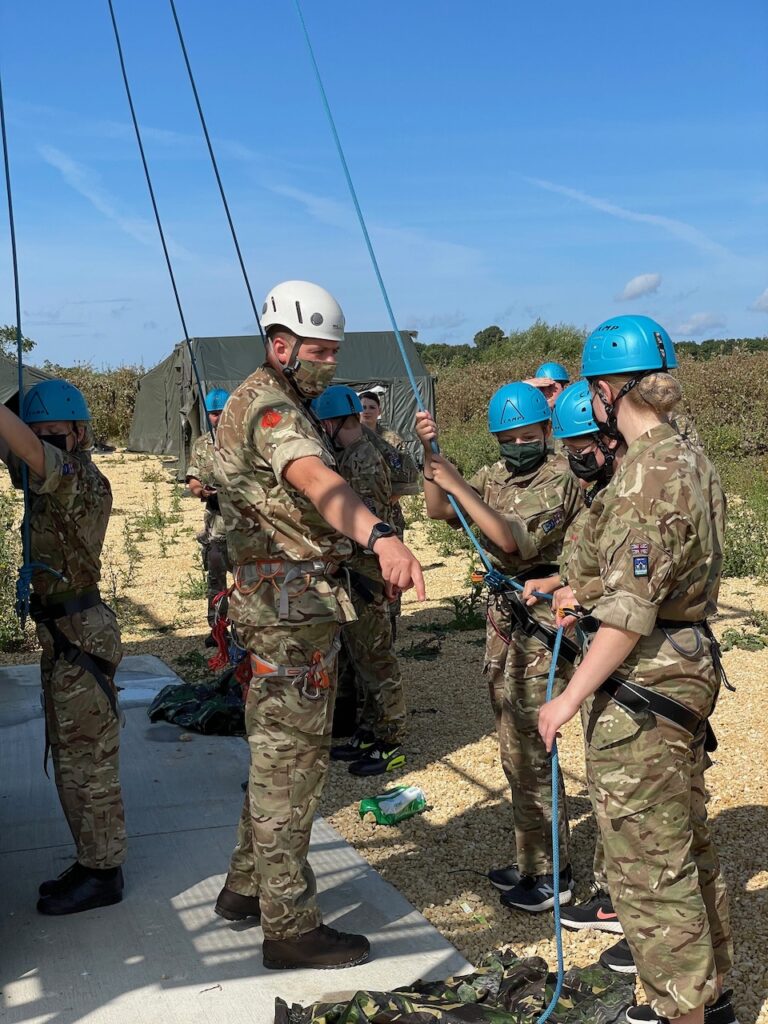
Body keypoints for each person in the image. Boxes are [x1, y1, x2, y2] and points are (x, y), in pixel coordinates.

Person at [212, 280, 424, 971]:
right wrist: (380, 538)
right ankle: (291, 928)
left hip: (278, 606)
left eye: (335, 352)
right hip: (289, 615)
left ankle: (248, 889)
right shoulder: (274, 410)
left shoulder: (266, 396)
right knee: (291, 769)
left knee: (277, 756)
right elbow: (315, 481)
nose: (329, 365)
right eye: (319, 352)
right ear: (281, 346)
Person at [537, 315, 736, 1024]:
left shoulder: (649, 472)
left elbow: (629, 614)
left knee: (646, 862)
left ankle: (679, 1007)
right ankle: (705, 992)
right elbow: (650, 572)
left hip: (647, 682)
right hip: (682, 661)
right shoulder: (689, 455)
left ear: (606, 390)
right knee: (682, 841)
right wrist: (580, 592)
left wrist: (565, 702)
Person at [415, 381, 583, 912]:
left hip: (544, 623)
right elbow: (438, 510)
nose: (517, 446)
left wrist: (462, 485)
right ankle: (533, 859)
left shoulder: (560, 478)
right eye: (506, 439)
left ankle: (554, 873)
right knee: (513, 746)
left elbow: (511, 538)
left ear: (547, 431)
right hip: (507, 620)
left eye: (526, 436)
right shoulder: (497, 476)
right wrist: (431, 457)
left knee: (534, 747)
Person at [0, 381, 126, 915]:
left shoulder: (78, 478)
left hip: (81, 632)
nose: (40, 444)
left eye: (51, 434)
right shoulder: (45, 474)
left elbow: (24, 450)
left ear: (77, 434)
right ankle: (91, 858)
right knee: (69, 756)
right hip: (64, 631)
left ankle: (104, 874)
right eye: (37, 433)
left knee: (87, 763)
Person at [522, 380, 630, 967]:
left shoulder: (635, 496)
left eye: (582, 447)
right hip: (607, 654)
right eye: (568, 449)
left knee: (638, 806)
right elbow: (601, 576)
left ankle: (641, 925)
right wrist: (565, 589)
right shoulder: (603, 492)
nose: (574, 459)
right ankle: (620, 901)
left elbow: (633, 599)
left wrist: (566, 698)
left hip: (636, 669)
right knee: (614, 795)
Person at [312, 385, 406, 776]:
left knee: (376, 660)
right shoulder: (352, 454)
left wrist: (334, 558)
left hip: (364, 573)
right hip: (356, 574)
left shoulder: (362, 463)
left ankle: (390, 742)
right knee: (360, 659)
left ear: (332, 423)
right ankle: (368, 732)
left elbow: (365, 528)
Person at [358, 388, 421, 639]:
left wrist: (380, 502)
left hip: (388, 517)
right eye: (362, 406)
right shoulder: (348, 436)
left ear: (379, 411)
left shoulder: (390, 440)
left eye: (371, 407)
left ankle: (391, 622)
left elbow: (405, 478)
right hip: (360, 518)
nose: (366, 410)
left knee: (394, 573)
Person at [186, 388, 231, 647]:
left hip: (246, 521)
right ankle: (218, 628)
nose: (218, 418)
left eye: (222, 413)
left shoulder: (244, 440)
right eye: (213, 414)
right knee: (216, 577)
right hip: (218, 522)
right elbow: (193, 478)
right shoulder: (202, 444)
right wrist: (201, 491)